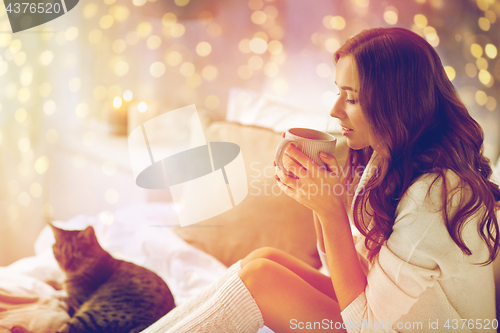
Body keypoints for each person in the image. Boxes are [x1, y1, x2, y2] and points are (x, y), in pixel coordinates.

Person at [142, 27, 500, 333]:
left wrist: (331, 212)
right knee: (264, 260)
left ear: (395, 104)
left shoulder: (433, 196)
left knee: (261, 282)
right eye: (339, 92)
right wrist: (318, 200)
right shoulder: (390, 159)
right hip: (388, 319)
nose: (335, 110)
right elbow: (352, 280)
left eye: (352, 98)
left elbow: (364, 323)